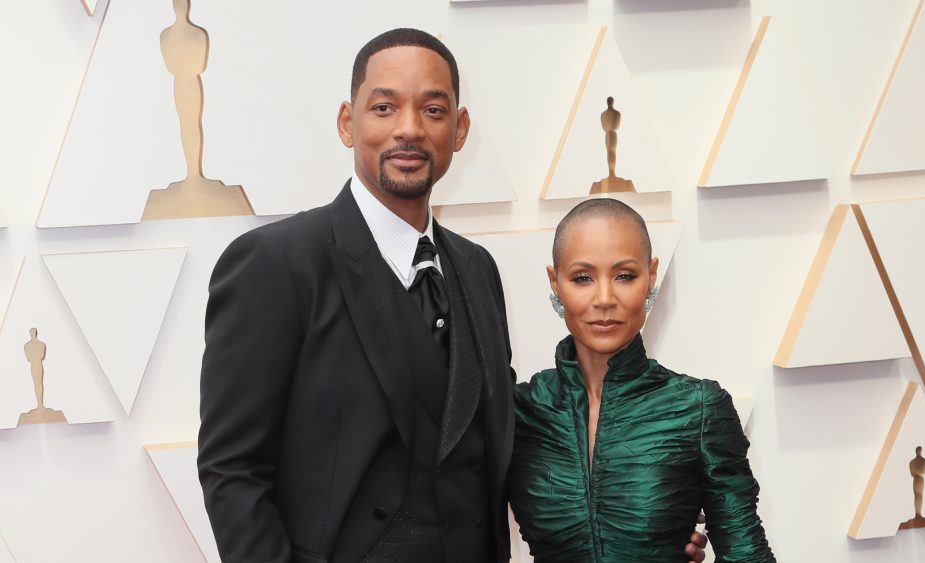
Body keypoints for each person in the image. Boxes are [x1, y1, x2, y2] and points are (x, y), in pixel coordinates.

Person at [197, 28, 708, 563]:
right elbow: (232, 469)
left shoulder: (476, 269)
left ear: (460, 130)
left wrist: (641, 527)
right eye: (384, 108)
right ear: (349, 123)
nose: (409, 130)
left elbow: (502, 444)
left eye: (433, 110)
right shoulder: (274, 264)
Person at [508, 199, 774, 562]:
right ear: (555, 282)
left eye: (625, 276)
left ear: (651, 276)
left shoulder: (697, 407)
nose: (604, 299)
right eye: (583, 277)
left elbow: (746, 554)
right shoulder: (518, 412)